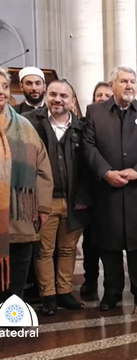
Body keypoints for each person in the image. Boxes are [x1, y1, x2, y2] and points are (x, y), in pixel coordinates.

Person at [82, 66, 137, 311]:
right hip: (107, 191)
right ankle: (111, 293)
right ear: (112, 85)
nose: (129, 86)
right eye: (123, 81)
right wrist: (106, 172)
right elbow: (88, 146)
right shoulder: (95, 112)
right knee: (110, 246)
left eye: (132, 81)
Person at [23, 80, 91, 315]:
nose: (58, 99)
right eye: (53, 94)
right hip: (45, 201)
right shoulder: (32, 123)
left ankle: (64, 291)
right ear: (46, 95)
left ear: (72, 101)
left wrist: (83, 195)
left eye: (64, 96)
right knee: (44, 250)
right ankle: (48, 295)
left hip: (75, 201)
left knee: (68, 249)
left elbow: (88, 165)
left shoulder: (82, 128)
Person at [0, 68, 53, 301]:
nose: (0, 92)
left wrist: (41, 207)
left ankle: (12, 313)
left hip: (20, 215)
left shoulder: (25, 127)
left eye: (3, 86)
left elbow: (42, 169)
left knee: (19, 269)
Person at [80, 81, 113, 301]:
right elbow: (82, 162)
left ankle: (112, 284)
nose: (102, 98)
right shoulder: (83, 124)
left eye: (106, 95)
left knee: (112, 242)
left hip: (114, 190)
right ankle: (90, 280)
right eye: (98, 95)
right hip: (92, 190)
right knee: (90, 241)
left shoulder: (120, 122)